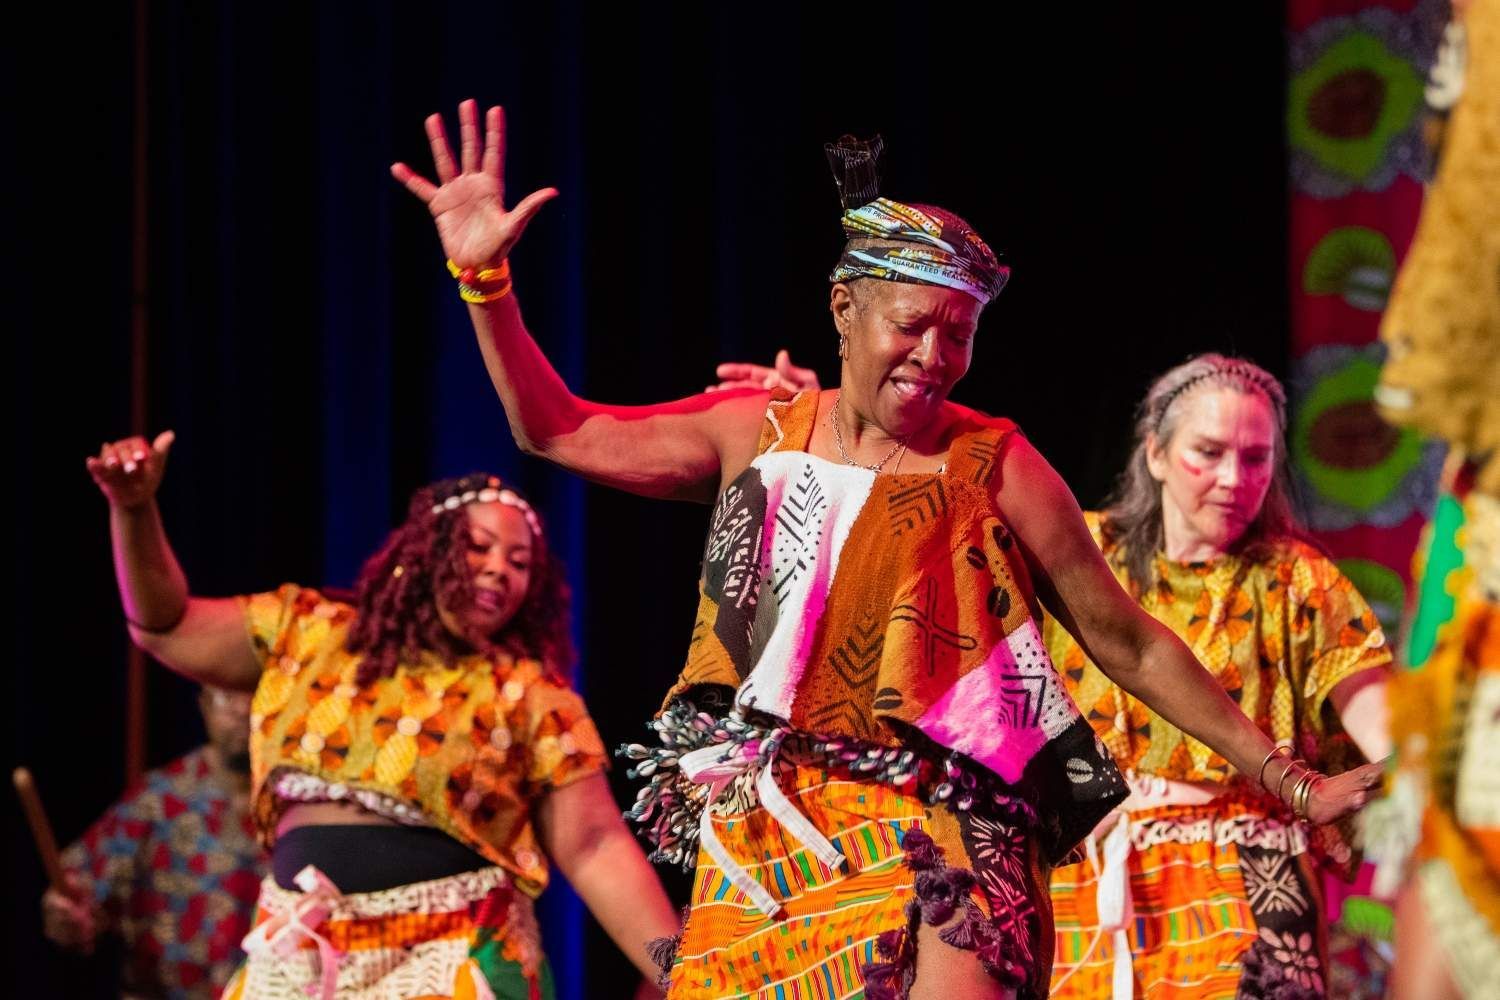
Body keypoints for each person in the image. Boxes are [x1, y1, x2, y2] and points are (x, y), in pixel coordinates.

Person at [392, 109, 1380, 999]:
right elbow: (558, 430)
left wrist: (1292, 778)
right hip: (770, 828)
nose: (938, 357)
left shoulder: (994, 461)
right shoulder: (755, 432)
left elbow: (1132, 641)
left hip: (942, 821)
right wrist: (486, 282)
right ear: (843, 311)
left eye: (962, 335)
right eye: (914, 325)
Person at [85, 433, 677, 999]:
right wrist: (133, 512)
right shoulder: (309, 632)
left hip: (445, 955)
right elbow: (165, 626)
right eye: (478, 547)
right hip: (298, 952)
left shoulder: (525, 691)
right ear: (426, 551)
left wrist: (681, 970)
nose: (501, 568)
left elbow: (596, 847)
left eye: (520, 562)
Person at [1019, 355, 1391, 999]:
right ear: (1156, 454)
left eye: (1255, 458)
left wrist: (1431, 753)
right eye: (1208, 452)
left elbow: (1377, 711)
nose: (1232, 478)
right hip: (1097, 873)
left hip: (1251, 871)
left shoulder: (1298, 578)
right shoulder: (1082, 552)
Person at [41, 685, 261, 999]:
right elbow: (78, 891)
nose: (242, 710)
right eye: (227, 696)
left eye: (252, 694)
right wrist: (67, 912)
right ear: (204, 706)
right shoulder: (157, 801)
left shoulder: (298, 803)